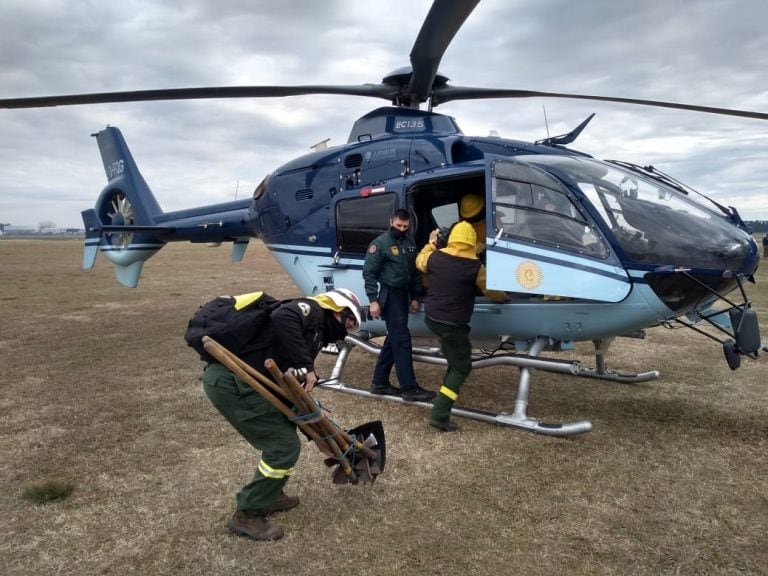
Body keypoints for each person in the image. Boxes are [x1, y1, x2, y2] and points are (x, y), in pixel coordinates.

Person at [201, 288, 363, 541]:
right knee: (283, 447)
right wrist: (308, 367)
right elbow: (283, 318)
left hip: (250, 383)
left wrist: (319, 435)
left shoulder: (314, 335)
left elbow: (289, 377)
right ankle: (247, 513)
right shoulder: (312, 311)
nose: (348, 328)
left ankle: (271, 494)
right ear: (336, 309)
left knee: (286, 434)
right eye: (349, 320)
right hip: (232, 382)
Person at [416, 222, 506, 432]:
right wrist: (504, 296)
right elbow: (492, 292)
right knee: (462, 367)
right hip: (453, 325)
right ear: (472, 241)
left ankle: (448, 385)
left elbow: (420, 261)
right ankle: (440, 413)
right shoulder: (476, 266)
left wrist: (430, 243)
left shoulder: (435, 257)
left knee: (454, 359)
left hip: (432, 318)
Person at [363, 208, 436, 402]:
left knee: (394, 339)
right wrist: (373, 300)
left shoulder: (409, 243)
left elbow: (415, 273)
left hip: (404, 296)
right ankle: (409, 388)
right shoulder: (380, 244)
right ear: (391, 222)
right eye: (398, 226)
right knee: (402, 339)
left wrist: (415, 297)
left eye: (405, 226)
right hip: (390, 295)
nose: (401, 229)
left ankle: (379, 383)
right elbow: (369, 273)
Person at [459, 193, 486, 260]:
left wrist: (484, 245)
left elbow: (499, 240)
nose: (474, 218)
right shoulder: (460, 226)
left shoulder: (492, 220)